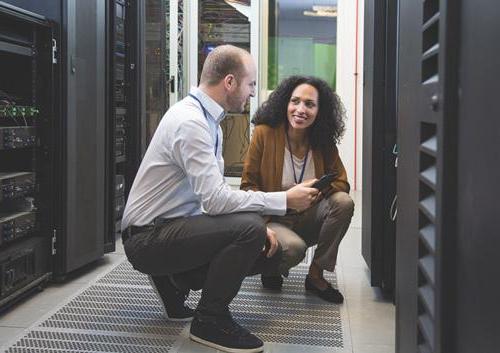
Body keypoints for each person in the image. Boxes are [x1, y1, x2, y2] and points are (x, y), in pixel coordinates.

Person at [120, 45, 319, 353]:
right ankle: (209, 320)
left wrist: (244, 222)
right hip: (148, 238)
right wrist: (283, 201)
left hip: (166, 227)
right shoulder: (192, 123)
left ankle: (174, 282)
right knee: (250, 230)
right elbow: (214, 201)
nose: (253, 93)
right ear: (229, 82)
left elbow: (205, 196)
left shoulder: (205, 118)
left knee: (252, 232)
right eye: (250, 84)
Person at [240, 75, 354, 304]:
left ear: (319, 111)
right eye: (295, 101)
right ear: (285, 103)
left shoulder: (322, 141)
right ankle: (270, 265)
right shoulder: (264, 133)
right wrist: (285, 198)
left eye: (310, 104)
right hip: (272, 218)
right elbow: (248, 186)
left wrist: (314, 192)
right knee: (294, 250)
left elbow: (342, 183)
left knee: (343, 202)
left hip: (305, 218)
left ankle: (315, 275)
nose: (301, 109)